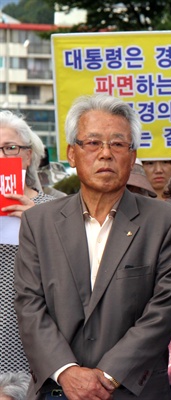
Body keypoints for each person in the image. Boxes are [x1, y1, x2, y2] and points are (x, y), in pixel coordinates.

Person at [13, 94, 171, 400]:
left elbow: (163, 311)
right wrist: (66, 371)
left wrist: (107, 376)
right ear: (72, 153)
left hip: (133, 390)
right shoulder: (38, 223)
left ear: (133, 157)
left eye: (118, 144)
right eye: (93, 143)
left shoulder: (166, 222)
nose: (106, 154)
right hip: (58, 390)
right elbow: (29, 305)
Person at [0, 111, 55, 374]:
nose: (2, 156)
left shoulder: (54, 209)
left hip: (31, 334)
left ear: (28, 154)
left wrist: (39, 223)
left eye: (10, 148)